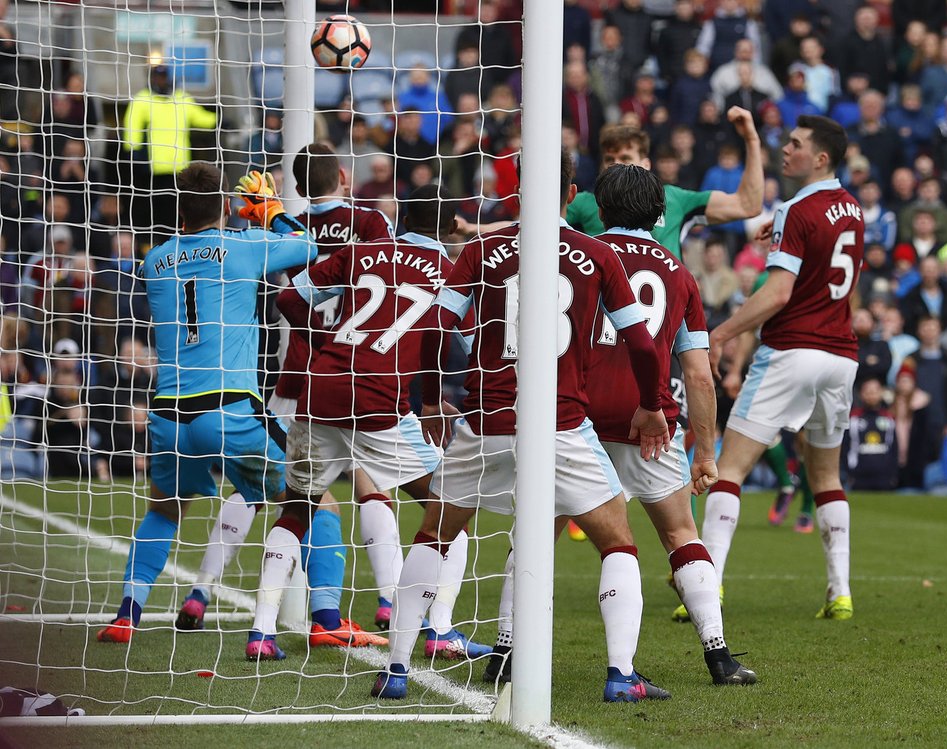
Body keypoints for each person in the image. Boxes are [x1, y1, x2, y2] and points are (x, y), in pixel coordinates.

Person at [372, 150, 672, 703]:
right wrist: (653, 404)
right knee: (617, 543)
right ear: (571, 191)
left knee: (434, 535)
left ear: (515, 191)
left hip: (485, 420)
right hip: (559, 423)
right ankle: (621, 675)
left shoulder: (483, 249)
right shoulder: (597, 254)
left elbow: (438, 327)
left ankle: (394, 669)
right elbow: (642, 343)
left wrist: (436, 396)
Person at [175, 144, 396, 645]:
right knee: (366, 485)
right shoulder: (370, 223)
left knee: (258, 489)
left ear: (294, 185)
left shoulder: (278, 225)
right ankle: (385, 605)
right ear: (343, 174)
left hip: (288, 375)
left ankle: (202, 590)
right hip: (352, 375)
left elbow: (285, 292)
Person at [95, 162, 317, 652]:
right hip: (231, 409)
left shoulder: (153, 261)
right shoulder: (242, 247)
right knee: (313, 496)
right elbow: (308, 246)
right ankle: (324, 620)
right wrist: (270, 212)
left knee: (164, 510)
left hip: (170, 416)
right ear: (224, 205)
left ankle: (126, 614)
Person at [266, 184, 488, 661]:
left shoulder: (362, 250)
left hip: (320, 386)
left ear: (401, 216)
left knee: (298, 508)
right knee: (450, 508)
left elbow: (288, 298)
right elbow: (462, 346)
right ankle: (439, 629)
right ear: (454, 226)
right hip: (379, 399)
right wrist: (437, 401)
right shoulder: (452, 274)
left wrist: (328, 343)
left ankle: (260, 633)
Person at [589, 165, 756, 685]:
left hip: (577, 418)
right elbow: (699, 375)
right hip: (651, 421)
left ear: (601, 209)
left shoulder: (578, 255)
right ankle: (719, 657)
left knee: (539, 532)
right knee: (681, 533)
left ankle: (506, 651)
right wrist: (705, 451)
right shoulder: (679, 273)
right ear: (660, 214)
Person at [701, 115, 863, 620]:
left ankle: (708, 587)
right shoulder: (854, 210)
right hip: (840, 355)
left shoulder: (796, 208)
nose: (786, 150)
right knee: (826, 477)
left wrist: (721, 333)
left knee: (730, 469)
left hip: (792, 349)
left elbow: (778, 292)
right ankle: (839, 593)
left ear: (821, 157)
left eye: (796, 144)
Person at [566, 108, 763, 260]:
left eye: (625, 157)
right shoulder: (583, 203)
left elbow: (748, 205)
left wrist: (751, 139)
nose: (616, 165)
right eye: (609, 159)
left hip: (668, 309)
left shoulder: (675, 198)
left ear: (646, 164)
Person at [122, 64, 217, 241]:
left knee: (176, 210)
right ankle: (152, 243)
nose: (161, 80)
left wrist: (218, 120)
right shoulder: (143, 99)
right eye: (157, 77)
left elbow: (199, 117)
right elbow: (132, 125)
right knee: (153, 210)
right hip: (152, 168)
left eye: (163, 76)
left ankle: (175, 241)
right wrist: (132, 149)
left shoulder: (181, 98)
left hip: (178, 167)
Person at [843, 377, 898, 491]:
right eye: (868, 392)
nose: (871, 395)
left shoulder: (888, 418)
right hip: (858, 478)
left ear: (881, 392)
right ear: (861, 394)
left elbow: (894, 448)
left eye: (874, 391)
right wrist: (849, 472)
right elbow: (846, 448)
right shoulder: (853, 418)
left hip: (884, 478)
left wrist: (893, 473)